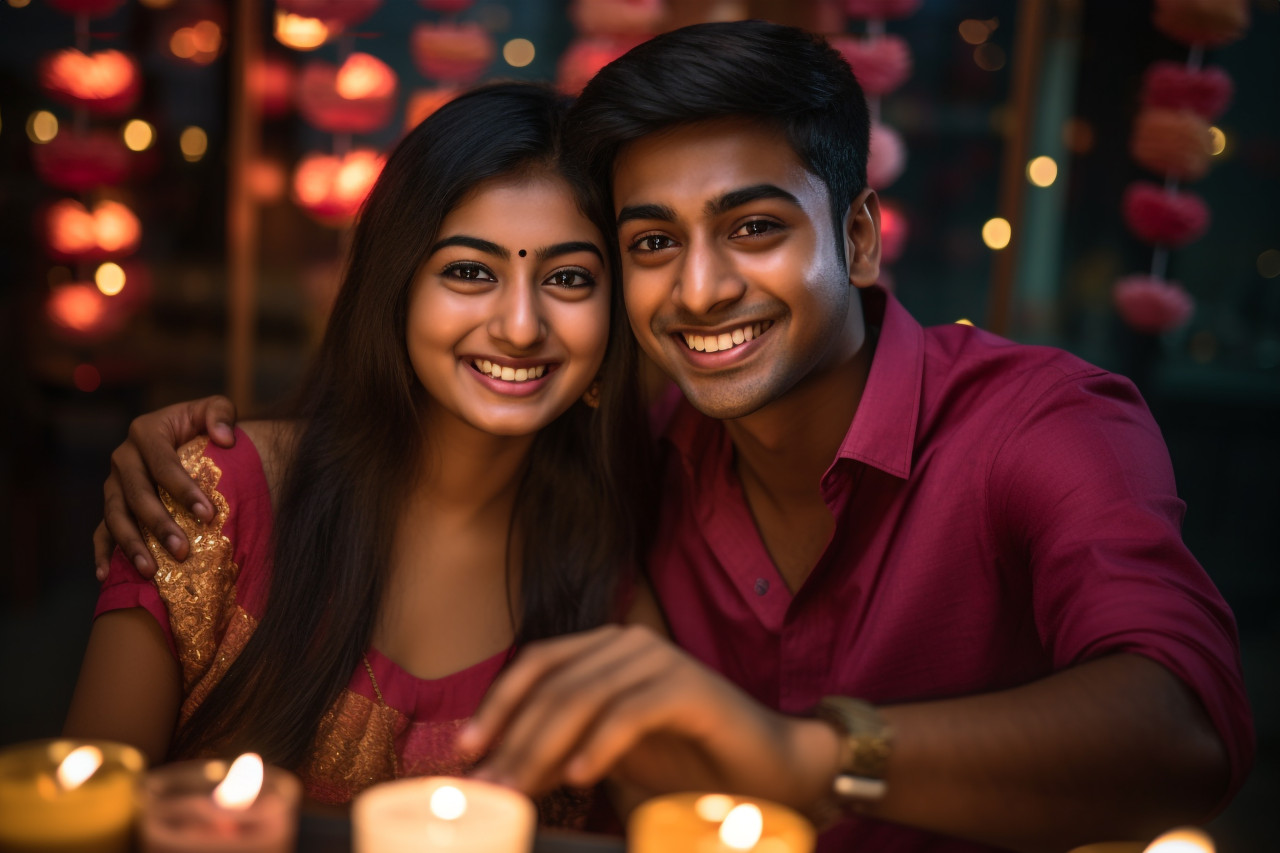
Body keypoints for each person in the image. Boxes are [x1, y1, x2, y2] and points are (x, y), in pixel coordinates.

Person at [92, 21, 1252, 853]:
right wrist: (185, 440)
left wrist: (806, 754)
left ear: (854, 237)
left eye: (749, 227)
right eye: (649, 244)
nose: (697, 291)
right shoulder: (640, 463)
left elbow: (1183, 726)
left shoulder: (1034, 427)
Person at [65, 82, 660, 827]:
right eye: (470, 271)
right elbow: (78, 820)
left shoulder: (602, 587)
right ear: (396, 285)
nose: (519, 325)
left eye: (569, 278)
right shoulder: (212, 497)